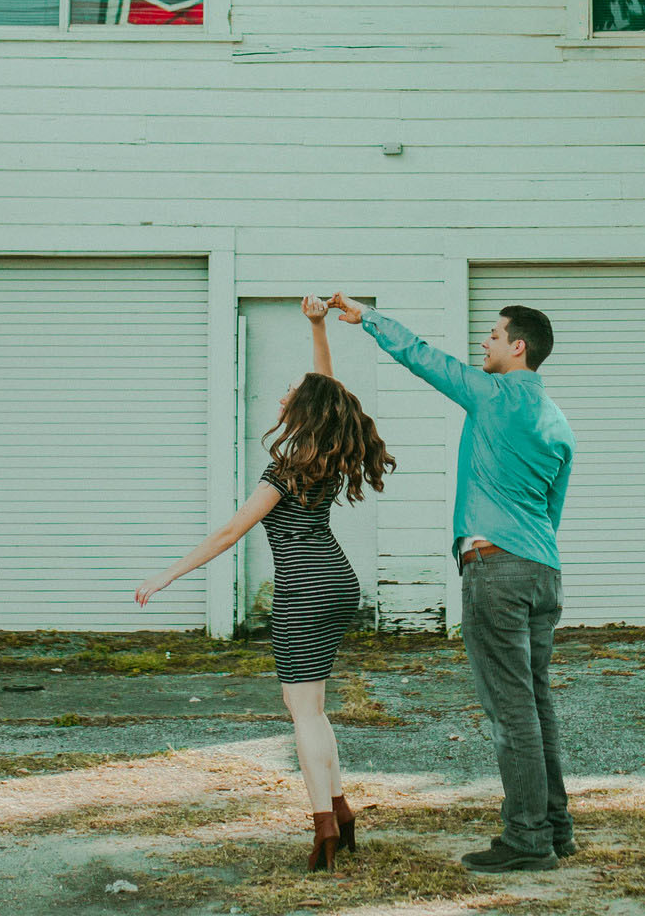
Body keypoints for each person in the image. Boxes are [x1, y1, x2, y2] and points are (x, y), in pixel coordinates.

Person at [137, 296, 394, 870]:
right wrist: (317, 326)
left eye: (289, 393)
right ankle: (342, 812)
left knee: (302, 712)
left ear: (303, 410)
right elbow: (327, 387)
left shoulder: (285, 470)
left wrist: (168, 574)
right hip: (337, 581)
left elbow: (230, 531)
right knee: (316, 708)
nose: (282, 396)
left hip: (303, 589)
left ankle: (323, 829)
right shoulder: (326, 454)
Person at [327, 291, 575, 874]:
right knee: (536, 703)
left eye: (492, 336)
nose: (483, 344)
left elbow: (421, 357)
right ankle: (556, 828)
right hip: (544, 569)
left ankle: (529, 840)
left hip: (497, 567)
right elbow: (552, 506)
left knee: (511, 710)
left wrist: (367, 318)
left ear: (518, 348)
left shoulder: (491, 396)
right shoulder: (559, 422)